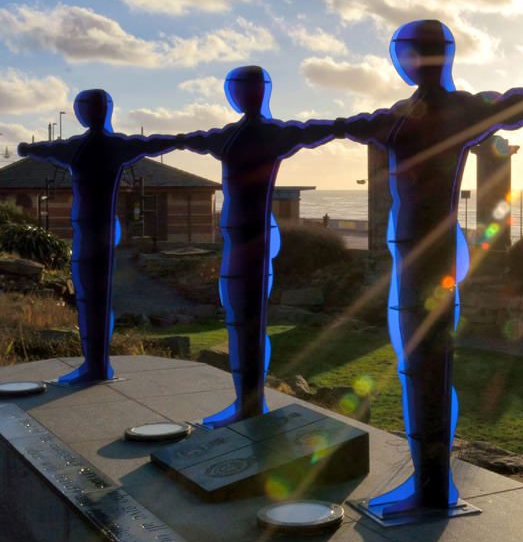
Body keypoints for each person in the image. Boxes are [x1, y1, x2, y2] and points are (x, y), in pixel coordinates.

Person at [321, 19, 523, 520]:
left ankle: (434, 486)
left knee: (430, 364)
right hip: (409, 258)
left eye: (420, 53)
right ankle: (427, 481)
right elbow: (323, 129)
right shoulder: (394, 115)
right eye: (408, 53)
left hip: (434, 260)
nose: (413, 62)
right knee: (415, 364)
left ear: (438, 56)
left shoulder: (461, 109)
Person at [179, 66, 335, 427]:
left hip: (256, 244)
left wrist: (361, 125)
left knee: (249, 321)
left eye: (245, 88)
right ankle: (244, 402)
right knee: (238, 321)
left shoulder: (269, 134)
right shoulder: (227, 137)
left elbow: (322, 129)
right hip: (236, 245)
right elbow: (182, 140)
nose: (240, 94)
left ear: (260, 91)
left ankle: (251, 403)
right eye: (236, 88)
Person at [18, 90, 190, 384]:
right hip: (97, 234)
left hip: (91, 235)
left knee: (91, 299)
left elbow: (43, 149)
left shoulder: (79, 148)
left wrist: (26, 148)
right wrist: (186, 140)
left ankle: (95, 365)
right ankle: (95, 365)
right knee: (93, 299)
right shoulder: (110, 146)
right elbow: (153, 143)